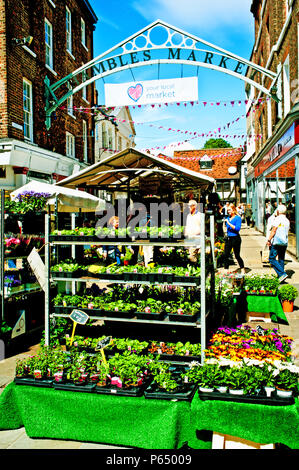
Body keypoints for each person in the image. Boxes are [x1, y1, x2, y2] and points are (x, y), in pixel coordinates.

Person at [267, 204, 290, 283]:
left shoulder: (277, 219)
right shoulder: (287, 220)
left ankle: (282, 274)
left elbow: (274, 230)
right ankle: (281, 277)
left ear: (278, 211)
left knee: (271, 258)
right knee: (281, 259)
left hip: (276, 242)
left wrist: (269, 239)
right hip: (284, 242)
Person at [223, 204, 245, 274]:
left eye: (229, 210)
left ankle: (242, 268)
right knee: (226, 254)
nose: (228, 211)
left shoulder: (237, 218)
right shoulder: (228, 218)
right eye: (228, 210)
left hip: (235, 238)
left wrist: (229, 223)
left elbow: (237, 229)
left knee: (237, 255)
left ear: (233, 210)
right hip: (229, 238)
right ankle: (226, 269)